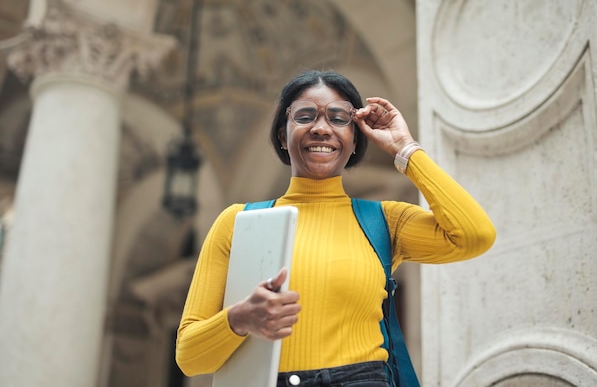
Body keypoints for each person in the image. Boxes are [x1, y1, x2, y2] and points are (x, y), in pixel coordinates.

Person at [175, 70, 496, 386]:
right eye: (305, 116)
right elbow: (189, 357)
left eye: (339, 118)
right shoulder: (237, 224)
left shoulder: (385, 222)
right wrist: (240, 318)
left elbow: (474, 235)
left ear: (355, 140)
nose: (321, 128)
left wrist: (406, 149)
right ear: (281, 137)